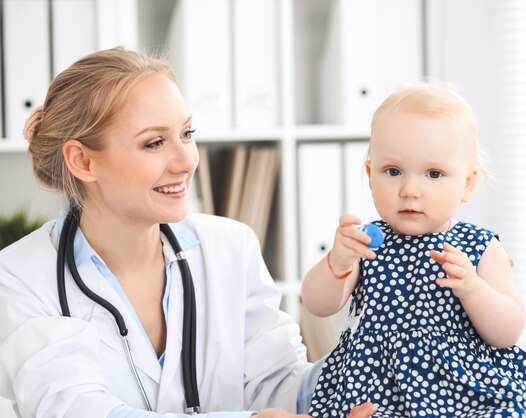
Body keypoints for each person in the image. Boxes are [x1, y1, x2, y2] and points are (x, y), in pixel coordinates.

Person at [0, 47, 377, 418]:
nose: (186, 161)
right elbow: (76, 410)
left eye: (187, 133)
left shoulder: (231, 247)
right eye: (154, 143)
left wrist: (375, 344)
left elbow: (278, 386)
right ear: (83, 161)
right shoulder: (19, 277)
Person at [301, 83, 526, 417]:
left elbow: (507, 332)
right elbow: (317, 304)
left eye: (433, 173)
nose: (410, 189)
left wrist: (473, 288)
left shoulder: (480, 246)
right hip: (378, 389)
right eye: (393, 171)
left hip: (468, 393)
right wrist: (337, 261)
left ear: (467, 184)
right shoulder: (366, 241)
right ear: (371, 175)